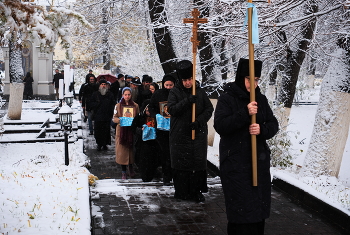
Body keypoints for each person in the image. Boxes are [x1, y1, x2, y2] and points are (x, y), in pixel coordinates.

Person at [214, 58, 279, 235]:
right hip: (236, 165)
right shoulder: (227, 99)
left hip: (259, 163)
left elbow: (273, 124)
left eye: (257, 79)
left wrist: (262, 129)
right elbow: (221, 126)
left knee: (258, 211)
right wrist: (245, 113)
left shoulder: (261, 99)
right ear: (241, 78)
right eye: (250, 79)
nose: (254, 83)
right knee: (240, 213)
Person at [167, 60, 214, 202]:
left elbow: (209, 109)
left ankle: (196, 191)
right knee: (182, 164)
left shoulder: (200, 91)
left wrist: (199, 121)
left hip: (197, 134)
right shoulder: (175, 92)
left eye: (190, 79)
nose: (188, 83)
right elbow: (172, 109)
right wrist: (187, 101)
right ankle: (182, 192)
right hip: (180, 134)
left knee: (196, 163)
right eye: (185, 80)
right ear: (181, 80)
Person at [149, 74, 176, 186]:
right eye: (167, 85)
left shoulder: (177, 94)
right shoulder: (158, 94)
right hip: (162, 128)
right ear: (163, 84)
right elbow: (151, 107)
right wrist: (156, 115)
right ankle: (166, 175)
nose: (169, 87)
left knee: (174, 152)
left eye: (171, 85)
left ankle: (175, 174)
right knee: (164, 152)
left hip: (175, 127)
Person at [113, 87, 140, 180]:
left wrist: (134, 122)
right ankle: (123, 171)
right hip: (121, 132)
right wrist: (121, 120)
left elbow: (138, 117)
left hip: (131, 131)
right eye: (125, 95)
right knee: (122, 152)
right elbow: (114, 118)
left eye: (129, 94)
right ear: (122, 95)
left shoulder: (135, 106)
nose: (127, 96)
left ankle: (131, 168)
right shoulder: (118, 106)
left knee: (131, 151)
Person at [131, 99, 161, 182]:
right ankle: (145, 175)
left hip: (154, 142)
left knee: (154, 159)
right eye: (147, 109)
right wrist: (140, 130)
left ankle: (153, 172)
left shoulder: (156, 117)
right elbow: (133, 127)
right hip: (143, 143)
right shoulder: (140, 116)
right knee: (144, 160)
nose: (148, 111)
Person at [89, 79, 115, 151]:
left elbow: (113, 103)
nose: (103, 86)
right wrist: (97, 104)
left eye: (104, 84)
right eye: (102, 84)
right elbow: (91, 103)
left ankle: (105, 144)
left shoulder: (109, 94)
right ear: (99, 85)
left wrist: (110, 108)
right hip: (98, 116)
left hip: (106, 116)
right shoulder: (95, 94)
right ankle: (99, 144)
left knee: (106, 131)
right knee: (98, 131)